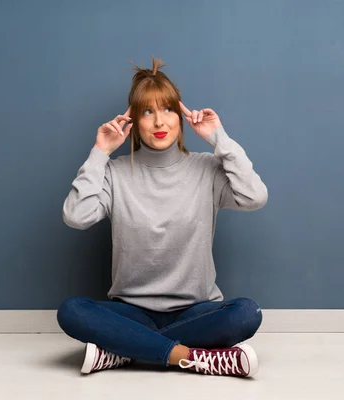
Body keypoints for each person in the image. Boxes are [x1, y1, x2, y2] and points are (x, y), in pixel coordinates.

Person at [56, 58, 268, 378]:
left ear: (180, 117)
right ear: (134, 121)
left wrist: (218, 138)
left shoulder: (206, 168)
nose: (159, 122)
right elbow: (76, 216)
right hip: (131, 312)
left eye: (168, 109)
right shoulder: (114, 173)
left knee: (246, 313)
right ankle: (192, 356)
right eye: (147, 112)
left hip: (197, 311)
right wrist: (100, 152)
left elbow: (255, 197)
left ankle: (125, 350)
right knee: (71, 311)